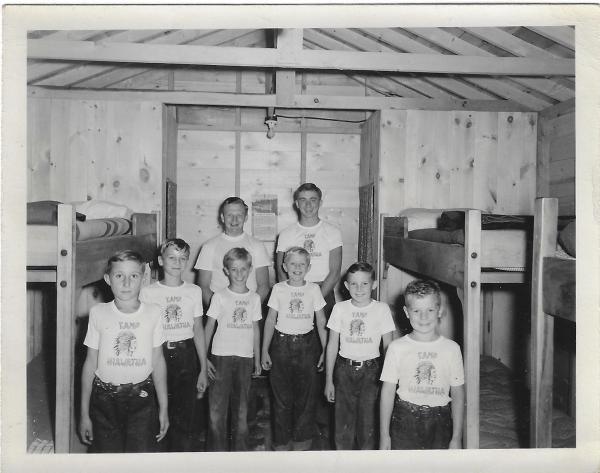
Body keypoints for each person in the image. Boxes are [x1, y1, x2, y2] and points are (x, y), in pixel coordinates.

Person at [79, 250, 169, 453]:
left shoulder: (154, 312)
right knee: (108, 459)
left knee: (139, 458)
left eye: (134, 276)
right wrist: (84, 413)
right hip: (104, 399)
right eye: (119, 276)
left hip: (142, 399)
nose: (127, 283)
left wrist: (163, 408)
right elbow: (90, 362)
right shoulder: (98, 313)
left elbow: (158, 361)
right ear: (108, 279)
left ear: (143, 278)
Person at [139, 238, 209, 452]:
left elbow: (198, 329)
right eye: (171, 257)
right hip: (158, 355)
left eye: (182, 258)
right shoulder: (148, 292)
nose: (177, 263)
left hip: (186, 356)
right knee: (157, 410)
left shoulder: (194, 291)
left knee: (185, 414)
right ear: (161, 260)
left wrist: (203, 368)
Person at [379, 279, 465, 450]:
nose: (423, 317)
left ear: (440, 311)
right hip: (405, 420)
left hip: (440, 423)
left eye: (430, 310)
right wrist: (384, 436)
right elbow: (387, 392)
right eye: (417, 310)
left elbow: (458, 393)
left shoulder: (451, 349)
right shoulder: (396, 348)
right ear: (406, 312)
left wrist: (456, 437)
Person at [261, 246, 328, 451]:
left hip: (307, 346)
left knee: (306, 397)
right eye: (292, 263)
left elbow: (321, 320)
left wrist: (325, 350)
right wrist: (264, 350)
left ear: (308, 267)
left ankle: (302, 441)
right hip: (280, 346)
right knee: (281, 398)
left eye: (302, 264)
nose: (297, 268)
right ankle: (281, 441)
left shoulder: (314, 289)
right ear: (284, 266)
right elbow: (271, 319)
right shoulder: (279, 289)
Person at [324, 262, 395, 450]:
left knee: (368, 425)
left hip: (372, 372)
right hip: (344, 370)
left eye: (364, 284)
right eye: (353, 284)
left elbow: (389, 347)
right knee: (342, 427)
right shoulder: (339, 309)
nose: (359, 289)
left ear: (374, 285)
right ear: (346, 286)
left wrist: (389, 381)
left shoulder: (382, 309)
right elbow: (332, 345)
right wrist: (329, 381)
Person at [204, 247, 262, 451]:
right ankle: (217, 456)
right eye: (234, 269)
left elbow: (255, 328)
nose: (239, 274)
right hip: (221, 358)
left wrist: (256, 358)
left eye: (243, 269)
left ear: (250, 270)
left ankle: (240, 457)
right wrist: (204, 358)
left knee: (242, 412)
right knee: (216, 412)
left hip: (245, 358)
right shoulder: (219, 296)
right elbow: (209, 327)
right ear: (226, 271)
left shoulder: (254, 298)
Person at [276, 183, 342, 314]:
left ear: (320, 202)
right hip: (294, 292)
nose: (308, 205)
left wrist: (315, 299)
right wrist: (293, 294)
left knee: (325, 334)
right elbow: (280, 269)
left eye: (313, 200)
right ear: (297, 203)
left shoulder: (333, 232)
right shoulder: (286, 234)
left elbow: (335, 272)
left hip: (323, 292)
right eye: (303, 200)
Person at [195, 196, 271, 309]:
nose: (234, 220)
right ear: (222, 217)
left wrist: (250, 311)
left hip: (249, 313)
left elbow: (263, 286)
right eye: (230, 215)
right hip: (219, 315)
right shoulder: (209, 247)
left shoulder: (257, 246)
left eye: (239, 215)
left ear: (245, 217)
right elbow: (204, 286)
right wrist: (219, 313)